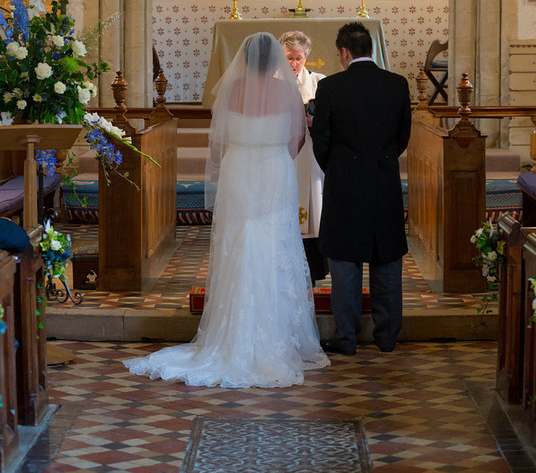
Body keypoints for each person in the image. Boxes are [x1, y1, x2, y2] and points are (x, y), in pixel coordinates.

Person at [124, 32, 329, 388]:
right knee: (274, 243)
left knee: (239, 242)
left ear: (245, 61)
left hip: (238, 172)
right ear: (276, 61)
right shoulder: (287, 92)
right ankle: (274, 334)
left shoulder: (230, 92)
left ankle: (232, 333)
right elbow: (297, 138)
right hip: (275, 170)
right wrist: (275, 157)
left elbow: (218, 142)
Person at [310, 21, 411, 355]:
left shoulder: (331, 88)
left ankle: (346, 338)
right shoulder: (397, 85)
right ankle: (387, 337)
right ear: (371, 49)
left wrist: (339, 169)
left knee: (345, 263)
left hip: (344, 185)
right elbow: (402, 137)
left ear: (344, 52)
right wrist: (379, 162)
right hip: (384, 182)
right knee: (387, 262)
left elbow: (320, 140)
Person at [278, 30, 328, 283]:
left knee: (314, 206)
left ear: (306, 56)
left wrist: (312, 120)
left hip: (310, 154)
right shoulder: (270, 83)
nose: (294, 64)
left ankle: (314, 268)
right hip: (282, 153)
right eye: (288, 58)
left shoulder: (320, 82)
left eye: (299, 58)